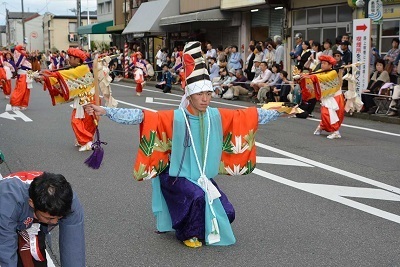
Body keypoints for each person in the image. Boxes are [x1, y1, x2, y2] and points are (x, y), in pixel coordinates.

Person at [84, 41, 285, 248]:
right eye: (200, 94)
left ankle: (194, 224)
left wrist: (279, 110)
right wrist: (107, 111)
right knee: (197, 199)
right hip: (175, 174)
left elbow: (249, 117)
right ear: (189, 95)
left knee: (227, 212)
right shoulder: (177, 117)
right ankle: (187, 232)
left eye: (208, 94)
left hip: (200, 177)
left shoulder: (215, 116)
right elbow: (140, 116)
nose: (205, 99)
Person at [0, 171, 85, 267]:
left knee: (37, 259)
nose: (55, 222)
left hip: (32, 218)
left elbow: (73, 248)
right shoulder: (6, 207)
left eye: (59, 217)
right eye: (50, 218)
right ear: (32, 203)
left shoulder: (69, 201)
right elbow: (5, 249)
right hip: (6, 219)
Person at [40, 48, 96, 152]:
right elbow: (62, 77)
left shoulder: (82, 69)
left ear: (78, 60)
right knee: (83, 121)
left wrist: (48, 75)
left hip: (88, 99)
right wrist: (45, 78)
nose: (68, 60)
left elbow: (64, 75)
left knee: (79, 121)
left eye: (70, 58)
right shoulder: (79, 69)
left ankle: (87, 142)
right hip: (83, 99)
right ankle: (84, 141)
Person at [303, 55, 345, 139]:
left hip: (335, 96)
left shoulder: (333, 72)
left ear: (330, 65)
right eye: (322, 63)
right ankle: (322, 126)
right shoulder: (320, 71)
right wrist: (304, 76)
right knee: (325, 113)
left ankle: (335, 131)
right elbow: (313, 76)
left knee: (329, 113)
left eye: (325, 63)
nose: (322, 65)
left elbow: (323, 78)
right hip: (326, 96)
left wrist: (311, 76)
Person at [9, 45, 33, 111]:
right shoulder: (18, 54)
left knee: (27, 90)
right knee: (20, 89)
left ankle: (23, 104)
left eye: (24, 49)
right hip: (22, 73)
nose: (24, 50)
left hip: (29, 72)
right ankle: (15, 103)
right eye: (22, 49)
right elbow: (17, 64)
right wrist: (23, 55)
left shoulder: (24, 55)